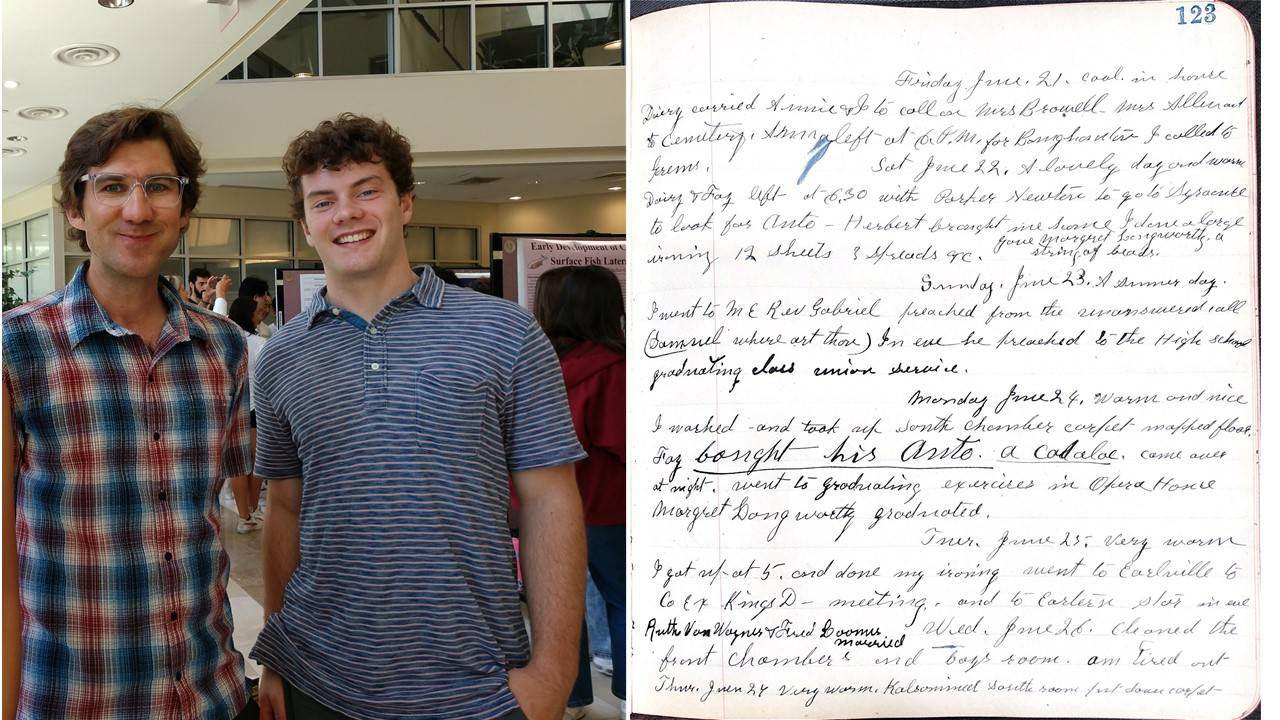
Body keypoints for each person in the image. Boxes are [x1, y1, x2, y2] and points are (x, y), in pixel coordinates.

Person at [251, 113, 588, 720]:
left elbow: (550, 503)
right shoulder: (282, 355)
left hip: (476, 686)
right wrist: (277, 658)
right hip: (317, 682)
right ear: (307, 224)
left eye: (367, 191)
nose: (346, 213)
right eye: (324, 200)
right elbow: (285, 508)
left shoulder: (504, 332)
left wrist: (553, 675)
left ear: (405, 203)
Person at [2, 106, 256, 720]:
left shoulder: (222, 346)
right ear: (74, 209)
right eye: (111, 186)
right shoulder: (17, 348)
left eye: (159, 187)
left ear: (183, 208)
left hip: (211, 693)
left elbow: (219, 511)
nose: (137, 211)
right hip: (73, 699)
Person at [533, 266, 627, 717]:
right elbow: (622, 439)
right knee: (625, 601)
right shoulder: (615, 368)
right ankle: (632, 693)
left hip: (543, 510)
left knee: (558, 605)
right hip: (609, 504)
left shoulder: (532, 363)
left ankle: (569, 700)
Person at [226, 296, 270, 534]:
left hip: (229, 407)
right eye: (258, 312)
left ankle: (245, 514)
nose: (261, 315)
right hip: (254, 408)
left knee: (237, 464)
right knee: (255, 463)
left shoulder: (225, 340)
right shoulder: (259, 343)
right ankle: (251, 510)